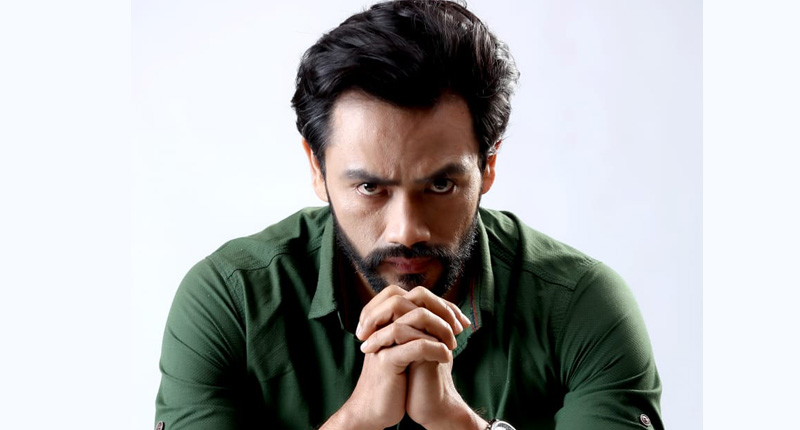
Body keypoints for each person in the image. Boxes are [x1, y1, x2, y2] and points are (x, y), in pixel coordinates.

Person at [154, 1, 663, 429]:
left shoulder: (582, 306)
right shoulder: (230, 300)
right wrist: (354, 421)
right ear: (317, 168)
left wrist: (461, 426)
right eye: (370, 187)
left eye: (440, 185)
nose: (407, 230)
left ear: (488, 166)